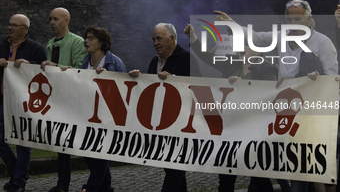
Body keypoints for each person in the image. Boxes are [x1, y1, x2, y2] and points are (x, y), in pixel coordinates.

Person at [224, 0, 338, 192]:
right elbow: (256, 38)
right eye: (289, 19)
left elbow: (333, 78)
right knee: (299, 172)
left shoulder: (323, 42)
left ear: (309, 19)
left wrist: (305, 80)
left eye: (298, 19)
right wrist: (232, 24)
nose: (293, 24)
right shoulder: (280, 37)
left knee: (316, 173)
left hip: (314, 115)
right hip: (289, 115)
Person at [185, 23, 279, 192]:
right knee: (226, 178)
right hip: (231, 130)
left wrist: (245, 86)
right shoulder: (231, 65)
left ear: (257, 51)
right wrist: (193, 38)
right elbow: (207, 57)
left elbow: (269, 97)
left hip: (254, 133)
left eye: (246, 44)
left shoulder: (268, 69)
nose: (240, 48)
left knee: (259, 178)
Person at [129, 23, 200, 192]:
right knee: (173, 168)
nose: (155, 42)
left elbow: (199, 87)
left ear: (172, 38)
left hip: (180, 125)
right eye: (153, 39)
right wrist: (138, 79)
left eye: (159, 38)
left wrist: (174, 79)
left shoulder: (186, 58)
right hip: (161, 123)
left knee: (174, 168)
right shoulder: (155, 60)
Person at [62, 26, 126, 192]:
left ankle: (89, 188)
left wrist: (107, 79)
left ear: (102, 43)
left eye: (91, 38)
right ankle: (107, 188)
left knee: (99, 155)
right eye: (86, 37)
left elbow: (124, 92)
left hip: (107, 119)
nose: (86, 40)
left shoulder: (115, 63)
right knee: (89, 155)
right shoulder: (85, 62)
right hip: (88, 117)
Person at [41, 7, 87, 192]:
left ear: (67, 21)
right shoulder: (50, 44)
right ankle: (63, 184)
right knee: (62, 145)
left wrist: (55, 66)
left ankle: (100, 183)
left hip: (73, 100)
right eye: (50, 19)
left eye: (56, 19)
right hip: (57, 99)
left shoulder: (78, 42)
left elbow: (80, 70)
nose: (52, 22)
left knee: (80, 144)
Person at [0, 14, 46, 192]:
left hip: (25, 102)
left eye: (14, 25)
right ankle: (17, 172)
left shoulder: (36, 48)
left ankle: (19, 183)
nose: (10, 28)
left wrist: (29, 64)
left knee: (23, 142)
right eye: (9, 24)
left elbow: (44, 73)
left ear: (25, 29)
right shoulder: (2, 46)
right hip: (3, 99)